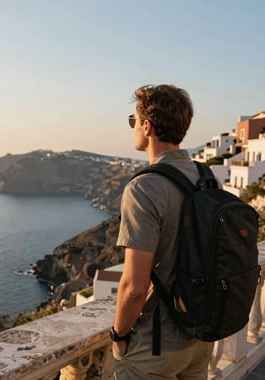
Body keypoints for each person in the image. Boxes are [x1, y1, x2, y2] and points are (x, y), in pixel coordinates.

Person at [111, 84, 214, 379]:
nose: (133, 128)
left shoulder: (144, 187)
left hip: (157, 346)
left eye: (133, 121)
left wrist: (119, 336)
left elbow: (134, 287)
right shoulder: (207, 179)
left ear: (147, 126)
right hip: (200, 336)